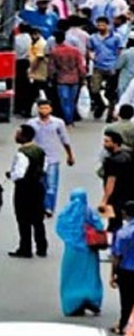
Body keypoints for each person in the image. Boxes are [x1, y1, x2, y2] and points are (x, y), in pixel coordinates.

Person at [56, 188, 105, 316]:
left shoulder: (67, 212)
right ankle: (92, 299)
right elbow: (99, 226)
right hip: (89, 250)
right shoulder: (90, 212)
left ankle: (72, 303)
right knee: (90, 275)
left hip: (72, 251)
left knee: (71, 276)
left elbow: (60, 228)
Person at [29, 99, 75, 216]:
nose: (44, 110)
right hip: (36, 159)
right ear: (37, 109)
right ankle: (40, 205)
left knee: (51, 185)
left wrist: (70, 155)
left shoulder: (58, 123)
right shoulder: (31, 124)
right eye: (41, 108)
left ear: (51, 109)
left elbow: (65, 140)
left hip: (52, 158)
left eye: (46, 108)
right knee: (38, 185)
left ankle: (49, 207)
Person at [7, 124, 48, 258]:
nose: (15, 136)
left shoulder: (22, 153)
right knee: (37, 219)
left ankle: (25, 248)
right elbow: (45, 167)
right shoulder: (40, 150)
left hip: (24, 188)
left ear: (23, 136)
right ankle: (41, 247)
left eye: (18, 133)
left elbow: (19, 173)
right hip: (38, 186)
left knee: (23, 218)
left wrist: (10, 175)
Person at [49, 30, 87, 126]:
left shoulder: (55, 51)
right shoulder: (75, 50)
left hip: (61, 79)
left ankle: (68, 120)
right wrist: (83, 76)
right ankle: (71, 118)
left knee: (64, 101)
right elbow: (80, 65)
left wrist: (50, 77)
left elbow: (52, 68)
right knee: (72, 100)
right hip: (75, 78)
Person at [91, 16, 125, 121]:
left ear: (108, 25)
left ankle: (110, 114)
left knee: (111, 93)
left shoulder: (116, 37)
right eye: (99, 25)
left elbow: (120, 50)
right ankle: (100, 105)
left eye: (103, 25)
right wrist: (92, 56)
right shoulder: (93, 38)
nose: (101, 27)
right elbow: (90, 50)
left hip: (112, 67)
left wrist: (117, 64)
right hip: (98, 66)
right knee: (94, 89)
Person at [101, 131, 134, 234]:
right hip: (129, 194)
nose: (104, 144)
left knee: (114, 224)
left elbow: (111, 181)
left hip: (115, 197)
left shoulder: (111, 161)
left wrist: (104, 200)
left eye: (107, 141)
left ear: (115, 143)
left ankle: (116, 246)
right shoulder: (129, 155)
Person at [112, 201, 134, 335]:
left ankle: (124, 324)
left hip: (126, 270)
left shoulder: (122, 233)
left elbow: (117, 255)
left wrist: (113, 274)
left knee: (126, 299)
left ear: (125, 213)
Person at [15, 23, 34, 117]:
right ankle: (24, 107)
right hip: (27, 62)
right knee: (26, 86)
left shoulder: (16, 38)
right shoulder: (30, 38)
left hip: (17, 62)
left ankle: (17, 107)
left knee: (18, 85)